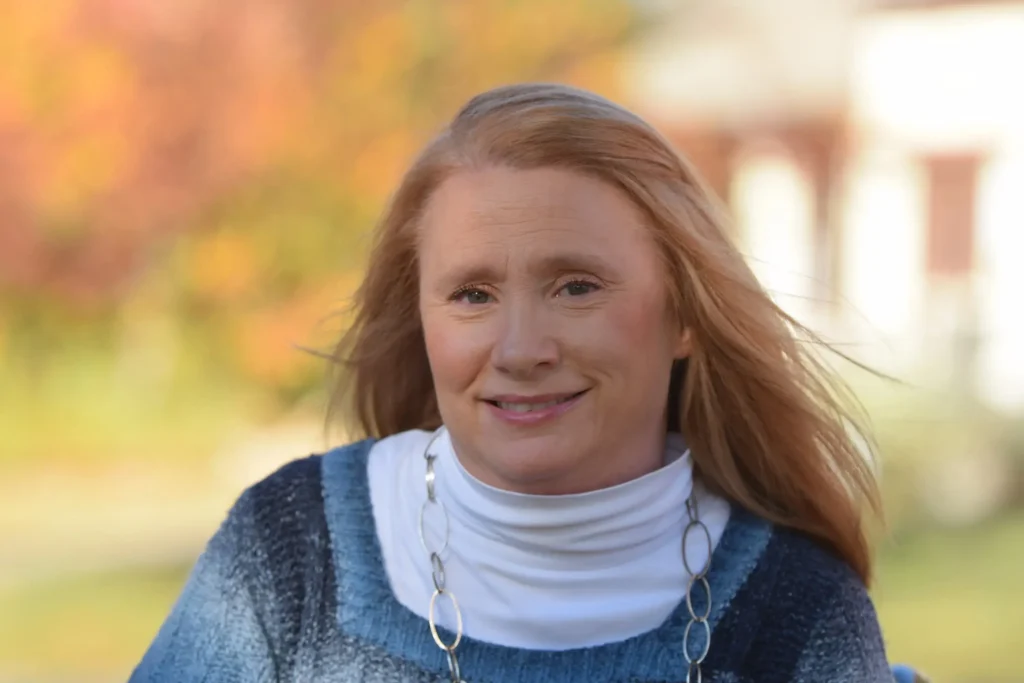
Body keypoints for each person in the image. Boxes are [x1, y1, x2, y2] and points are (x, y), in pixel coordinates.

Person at [130, 83, 916, 683]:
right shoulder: (293, 549)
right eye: (472, 294)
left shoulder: (795, 609)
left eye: (577, 286)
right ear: (424, 317)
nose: (520, 347)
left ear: (682, 315)